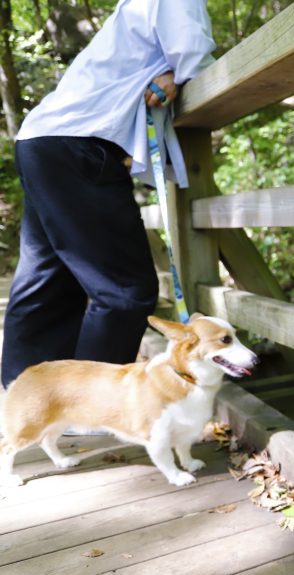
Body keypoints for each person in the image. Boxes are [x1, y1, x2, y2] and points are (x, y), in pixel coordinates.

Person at [1, 0, 216, 389]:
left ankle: (23, 395)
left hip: (43, 140)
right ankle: (88, 407)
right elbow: (196, 59)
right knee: (125, 290)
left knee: (50, 277)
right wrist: (178, 77)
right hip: (78, 146)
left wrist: (170, 76)